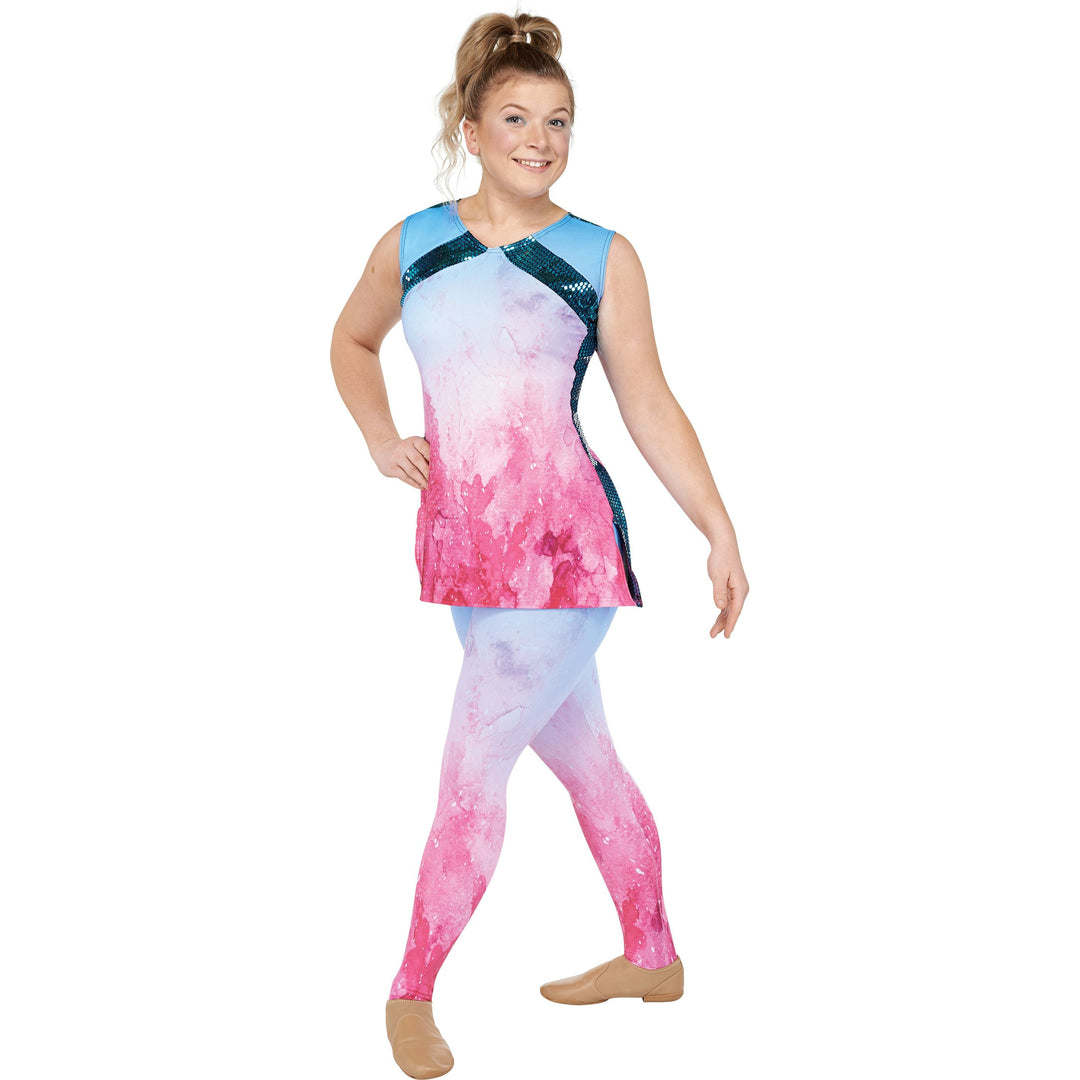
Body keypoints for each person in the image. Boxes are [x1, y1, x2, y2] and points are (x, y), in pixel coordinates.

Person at [330, 11, 749, 1078]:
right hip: (466, 554)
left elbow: (648, 401)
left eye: (558, 121)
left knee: (470, 774)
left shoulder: (600, 256)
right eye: (516, 118)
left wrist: (717, 527)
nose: (540, 139)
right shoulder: (415, 243)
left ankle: (410, 990)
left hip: (564, 558)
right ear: (471, 130)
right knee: (587, 760)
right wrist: (380, 435)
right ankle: (653, 956)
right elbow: (351, 339)